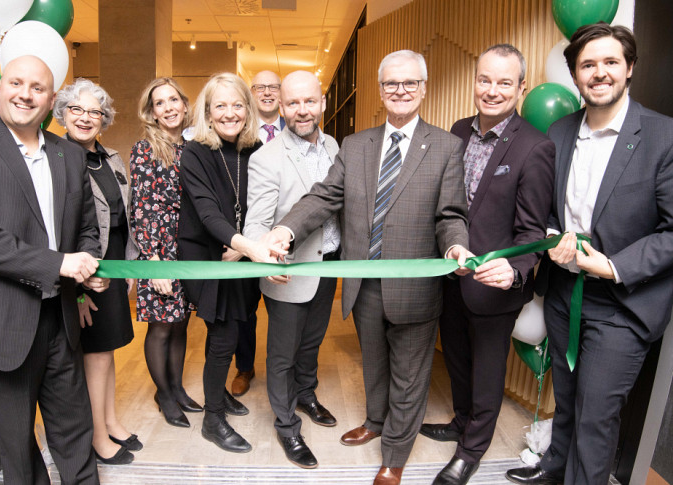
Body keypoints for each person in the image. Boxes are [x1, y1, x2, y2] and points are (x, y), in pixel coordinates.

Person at [263, 50, 470, 485]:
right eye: (392, 83)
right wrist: (286, 230)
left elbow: (451, 215)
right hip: (363, 282)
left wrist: (456, 248)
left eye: (409, 83)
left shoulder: (447, 147)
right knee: (374, 364)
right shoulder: (356, 146)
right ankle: (376, 420)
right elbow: (323, 197)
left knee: (410, 374)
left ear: (423, 89)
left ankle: (394, 454)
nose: (400, 91)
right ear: (380, 90)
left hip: (414, 285)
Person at [506, 22, 673, 485]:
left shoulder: (663, 136)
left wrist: (614, 266)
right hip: (563, 293)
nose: (599, 73)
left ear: (630, 68)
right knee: (570, 397)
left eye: (610, 62)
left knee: (597, 417)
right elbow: (547, 206)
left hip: (622, 304)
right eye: (588, 65)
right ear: (576, 75)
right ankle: (555, 470)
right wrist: (553, 234)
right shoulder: (559, 131)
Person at [0, 55, 108, 484]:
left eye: (37, 88)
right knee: (17, 442)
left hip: (61, 317)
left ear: (52, 99)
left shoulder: (69, 153)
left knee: (75, 427)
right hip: (0, 322)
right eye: (16, 83)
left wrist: (87, 265)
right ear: (0, 86)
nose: (25, 94)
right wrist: (59, 263)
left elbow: (87, 227)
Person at [418, 45, 554, 485]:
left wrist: (515, 271)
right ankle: (461, 422)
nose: (491, 91)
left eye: (503, 82)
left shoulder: (536, 147)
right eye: (484, 80)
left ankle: (471, 450)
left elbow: (533, 230)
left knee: (487, 369)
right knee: (455, 358)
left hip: (495, 285)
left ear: (521, 88)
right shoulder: (457, 131)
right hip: (450, 276)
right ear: (474, 81)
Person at [178, 72, 279, 454]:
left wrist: (246, 247)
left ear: (248, 109)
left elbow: (264, 203)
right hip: (208, 256)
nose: (230, 113)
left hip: (239, 252)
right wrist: (246, 247)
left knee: (238, 325)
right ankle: (213, 418)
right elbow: (206, 212)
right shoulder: (195, 152)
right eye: (220, 105)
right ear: (207, 111)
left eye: (238, 104)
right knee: (222, 334)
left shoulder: (256, 150)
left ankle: (216, 392)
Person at [244, 70, 339, 469]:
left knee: (312, 342)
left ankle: (307, 393)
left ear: (322, 103)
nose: (303, 110)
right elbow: (254, 223)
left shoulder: (335, 146)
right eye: (293, 103)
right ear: (281, 108)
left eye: (309, 101)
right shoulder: (266, 158)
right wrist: (262, 257)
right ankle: (287, 425)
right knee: (282, 355)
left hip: (331, 264)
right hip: (287, 269)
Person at [53, 78, 142, 465]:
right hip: (85, 272)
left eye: (95, 112)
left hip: (114, 267)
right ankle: (97, 437)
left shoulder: (111, 158)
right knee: (95, 356)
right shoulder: (57, 159)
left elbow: (125, 216)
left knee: (106, 352)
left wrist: (132, 267)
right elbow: (57, 228)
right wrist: (77, 289)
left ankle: (110, 421)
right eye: (77, 110)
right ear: (63, 114)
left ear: (104, 119)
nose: (86, 118)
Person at [130, 77, 202, 429]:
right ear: (152, 113)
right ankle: (164, 394)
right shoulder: (145, 150)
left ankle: (176, 387)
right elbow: (140, 209)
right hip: (159, 250)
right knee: (161, 326)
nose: (169, 107)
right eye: (160, 103)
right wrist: (154, 261)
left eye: (174, 100)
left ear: (185, 105)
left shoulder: (194, 148)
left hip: (188, 249)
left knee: (181, 322)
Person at [229, 69, 285, 398]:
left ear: (281, 93)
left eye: (272, 87)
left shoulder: (295, 130)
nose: (266, 92)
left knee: (284, 309)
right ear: (251, 93)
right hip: (245, 239)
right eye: (259, 87)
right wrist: (239, 242)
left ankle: (284, 370)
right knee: (245, 309)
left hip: (286, 238)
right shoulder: (238, 134)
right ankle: (245, 367)